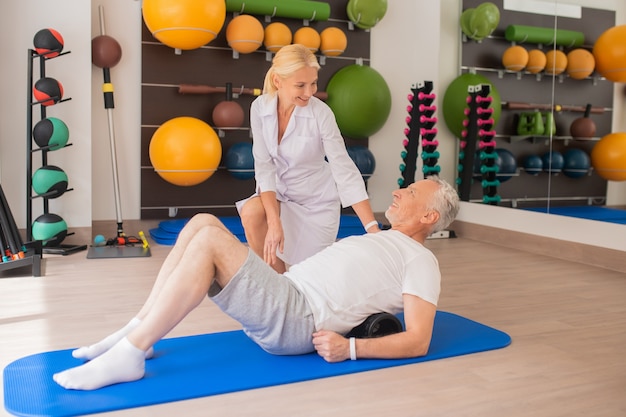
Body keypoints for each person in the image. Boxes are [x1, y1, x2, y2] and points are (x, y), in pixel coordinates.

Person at [53, 176, 460, 391]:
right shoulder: (381, 239)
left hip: (299, 318)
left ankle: (131, 354)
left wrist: (350, 348)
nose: (397, 192)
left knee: (211, 240)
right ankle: (136, 330)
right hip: (288, 292)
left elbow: (419, 339)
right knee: (203, 222)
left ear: (428, 218)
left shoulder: (420, 260)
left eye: (409, 193)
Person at [237, 43, 379, 273]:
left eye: (313, 83)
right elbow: (264, 167)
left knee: (310, 276)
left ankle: (296, 294)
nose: (309, 92)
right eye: (300, 85)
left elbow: (344, 169)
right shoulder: (259, 108)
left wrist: (372, 227)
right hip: (281, 198)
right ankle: (278, 291)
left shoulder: (321, 114)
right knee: (252, 212)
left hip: (316, 205)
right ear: (277, 81)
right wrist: (274, 222)